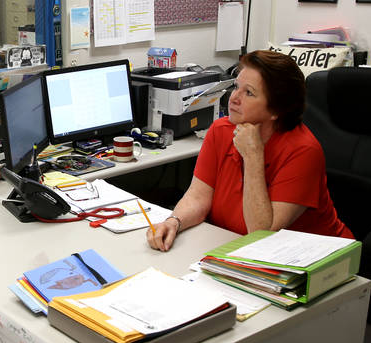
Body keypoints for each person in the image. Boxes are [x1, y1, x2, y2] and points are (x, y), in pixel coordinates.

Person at [147, 50, 352, 252]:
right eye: (237, 87)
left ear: (276, 110)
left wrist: (253, 156)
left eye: (249, 93)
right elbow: (198, 197)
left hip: (314, 261)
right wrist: (175, 221)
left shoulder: (302, 151)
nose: (234, 98)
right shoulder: (220, 130)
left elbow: (261, 235)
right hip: (235, 248)